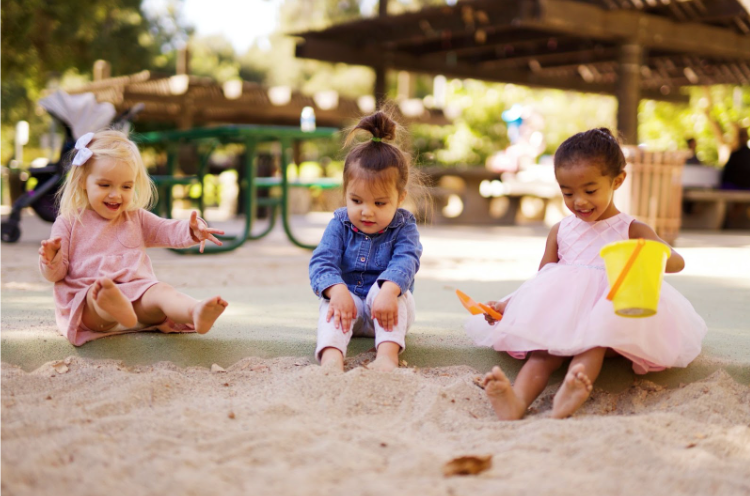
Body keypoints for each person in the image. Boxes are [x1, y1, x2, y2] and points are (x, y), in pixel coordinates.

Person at [466, 128, 707, 420]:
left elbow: (677, 262)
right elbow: (542, 279)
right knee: (543, 353)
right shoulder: (561, 230)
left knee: (594, 344)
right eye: (568, 193)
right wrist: (509, 305)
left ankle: (572, 390)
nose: (579, 201)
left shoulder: (631, 229)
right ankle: (516, 401)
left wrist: (648, 250)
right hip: (561, 313)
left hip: (609, 310)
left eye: (590, 191)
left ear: (617, 180)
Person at [39, 130, 228, 346]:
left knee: (161, 290)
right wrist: (51, 259)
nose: (116, 194)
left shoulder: (135, 217)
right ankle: (113, 307)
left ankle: (195, 311)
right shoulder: (69, 222)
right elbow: (56, 274)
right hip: (92, 308)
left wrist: (193, 230)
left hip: (138, 302)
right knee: (97, 294)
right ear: (83, 181)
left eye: (126, 186)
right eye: (104, 185)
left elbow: (166, 230)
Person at [309, 111, 422, 372]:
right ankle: (331, 358)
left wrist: (389, 290)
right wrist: (337, 291)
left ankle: (387, 357)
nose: (367, 211)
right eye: (356, 201)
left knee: (390, 290)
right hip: (347, 310)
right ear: (345, 193)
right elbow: (322, 261)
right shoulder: (340, 222)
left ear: (400, 197)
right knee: (330, 298)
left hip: (388, 309)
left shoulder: (404, 225)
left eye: (380, 203)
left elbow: (407, 260)